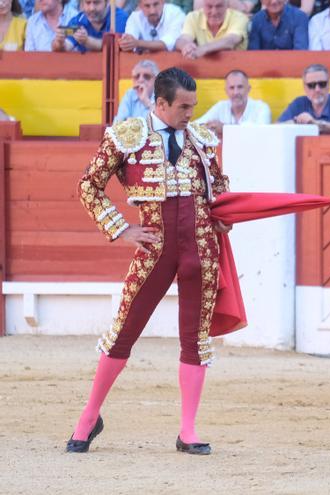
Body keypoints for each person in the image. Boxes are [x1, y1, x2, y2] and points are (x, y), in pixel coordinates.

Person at [70, 67, 230, 456]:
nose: (191, 113)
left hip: (201, 249)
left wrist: (224, 214)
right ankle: (89, 417)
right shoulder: (127, 137)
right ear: (160, 103)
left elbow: (219, 185)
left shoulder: (203, 139)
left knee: (195, 340)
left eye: (193, 105)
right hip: (154, 247)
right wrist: (122, 229)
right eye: (184, 106)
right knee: (123, 331)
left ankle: (188, 431)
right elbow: (88, 185)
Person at [278, 64, 330, 134]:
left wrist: (315, 124)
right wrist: (295, 122)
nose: (317, 89)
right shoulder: (298, 103)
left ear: (329, 85)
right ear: (305, 88)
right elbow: (277, 128)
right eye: (311, 85)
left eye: (322, 84)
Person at [195, 70, 271, 136]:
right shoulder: (221, 106)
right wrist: (206, 127)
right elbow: (195, 126)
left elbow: (261, 133)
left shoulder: (261, 107)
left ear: (248, 89)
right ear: (226, 90)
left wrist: (225, 128)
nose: (236, 92)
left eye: (240, 87)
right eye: (231, 88)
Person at [175, 0, 248, 58]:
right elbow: (183, 39)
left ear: (227, 5)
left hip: (235, 68)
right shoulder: (193, 17)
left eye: (219, 6)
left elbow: (230, 41)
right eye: (209, 6)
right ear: (203, 5)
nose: (214, 12)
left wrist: (204, 49)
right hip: (203, 70)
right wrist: (186, 46)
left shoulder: (239, 17)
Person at [52, 0, 129, 52]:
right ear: (82, 4)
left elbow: (114, 46)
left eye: (96, 2)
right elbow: (66, 46)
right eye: (88, 3)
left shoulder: (119, 17)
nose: (91, 8)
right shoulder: (78, 21)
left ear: (108, 2)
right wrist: (60, 42)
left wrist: (87, 41)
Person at [120, 0, 185, 52]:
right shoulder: (134, 17)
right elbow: (130, 41)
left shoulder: (176, 13)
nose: (152, 11)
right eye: (147, 6)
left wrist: (137, 43)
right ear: (140, 6)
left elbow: (168, 43)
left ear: (163, 2)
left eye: (156, 4)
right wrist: (126, 43)